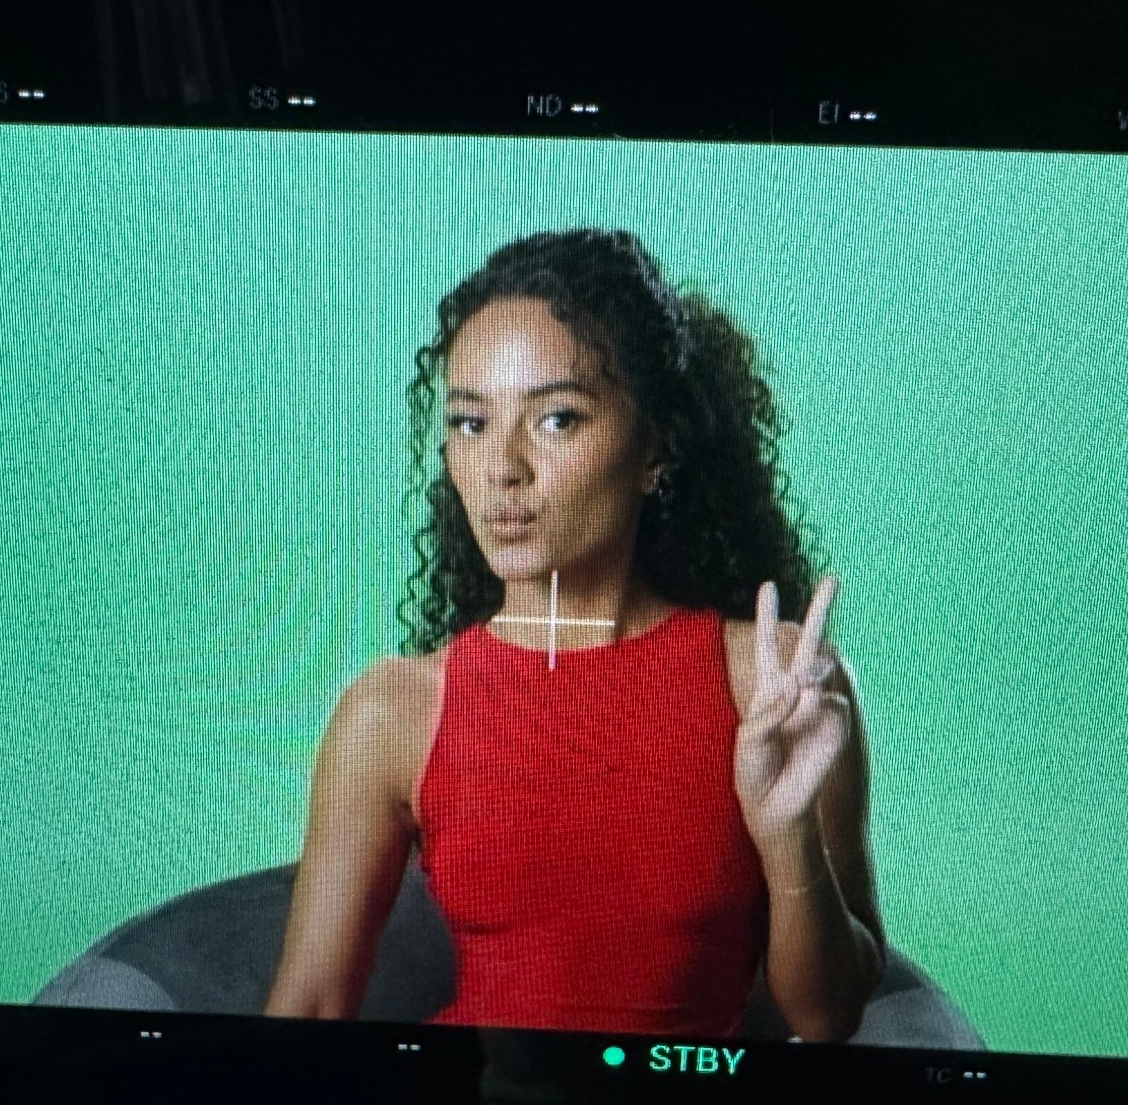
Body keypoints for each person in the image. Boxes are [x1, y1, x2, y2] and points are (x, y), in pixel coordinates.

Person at [265, 229, 883, 1040]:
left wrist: (788, 835)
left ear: (655, 447)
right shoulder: (394, 709)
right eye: (471, 423)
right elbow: (309, 1008)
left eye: (556, 419)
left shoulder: (771, 680)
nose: (503, 469)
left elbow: (828, 1017)